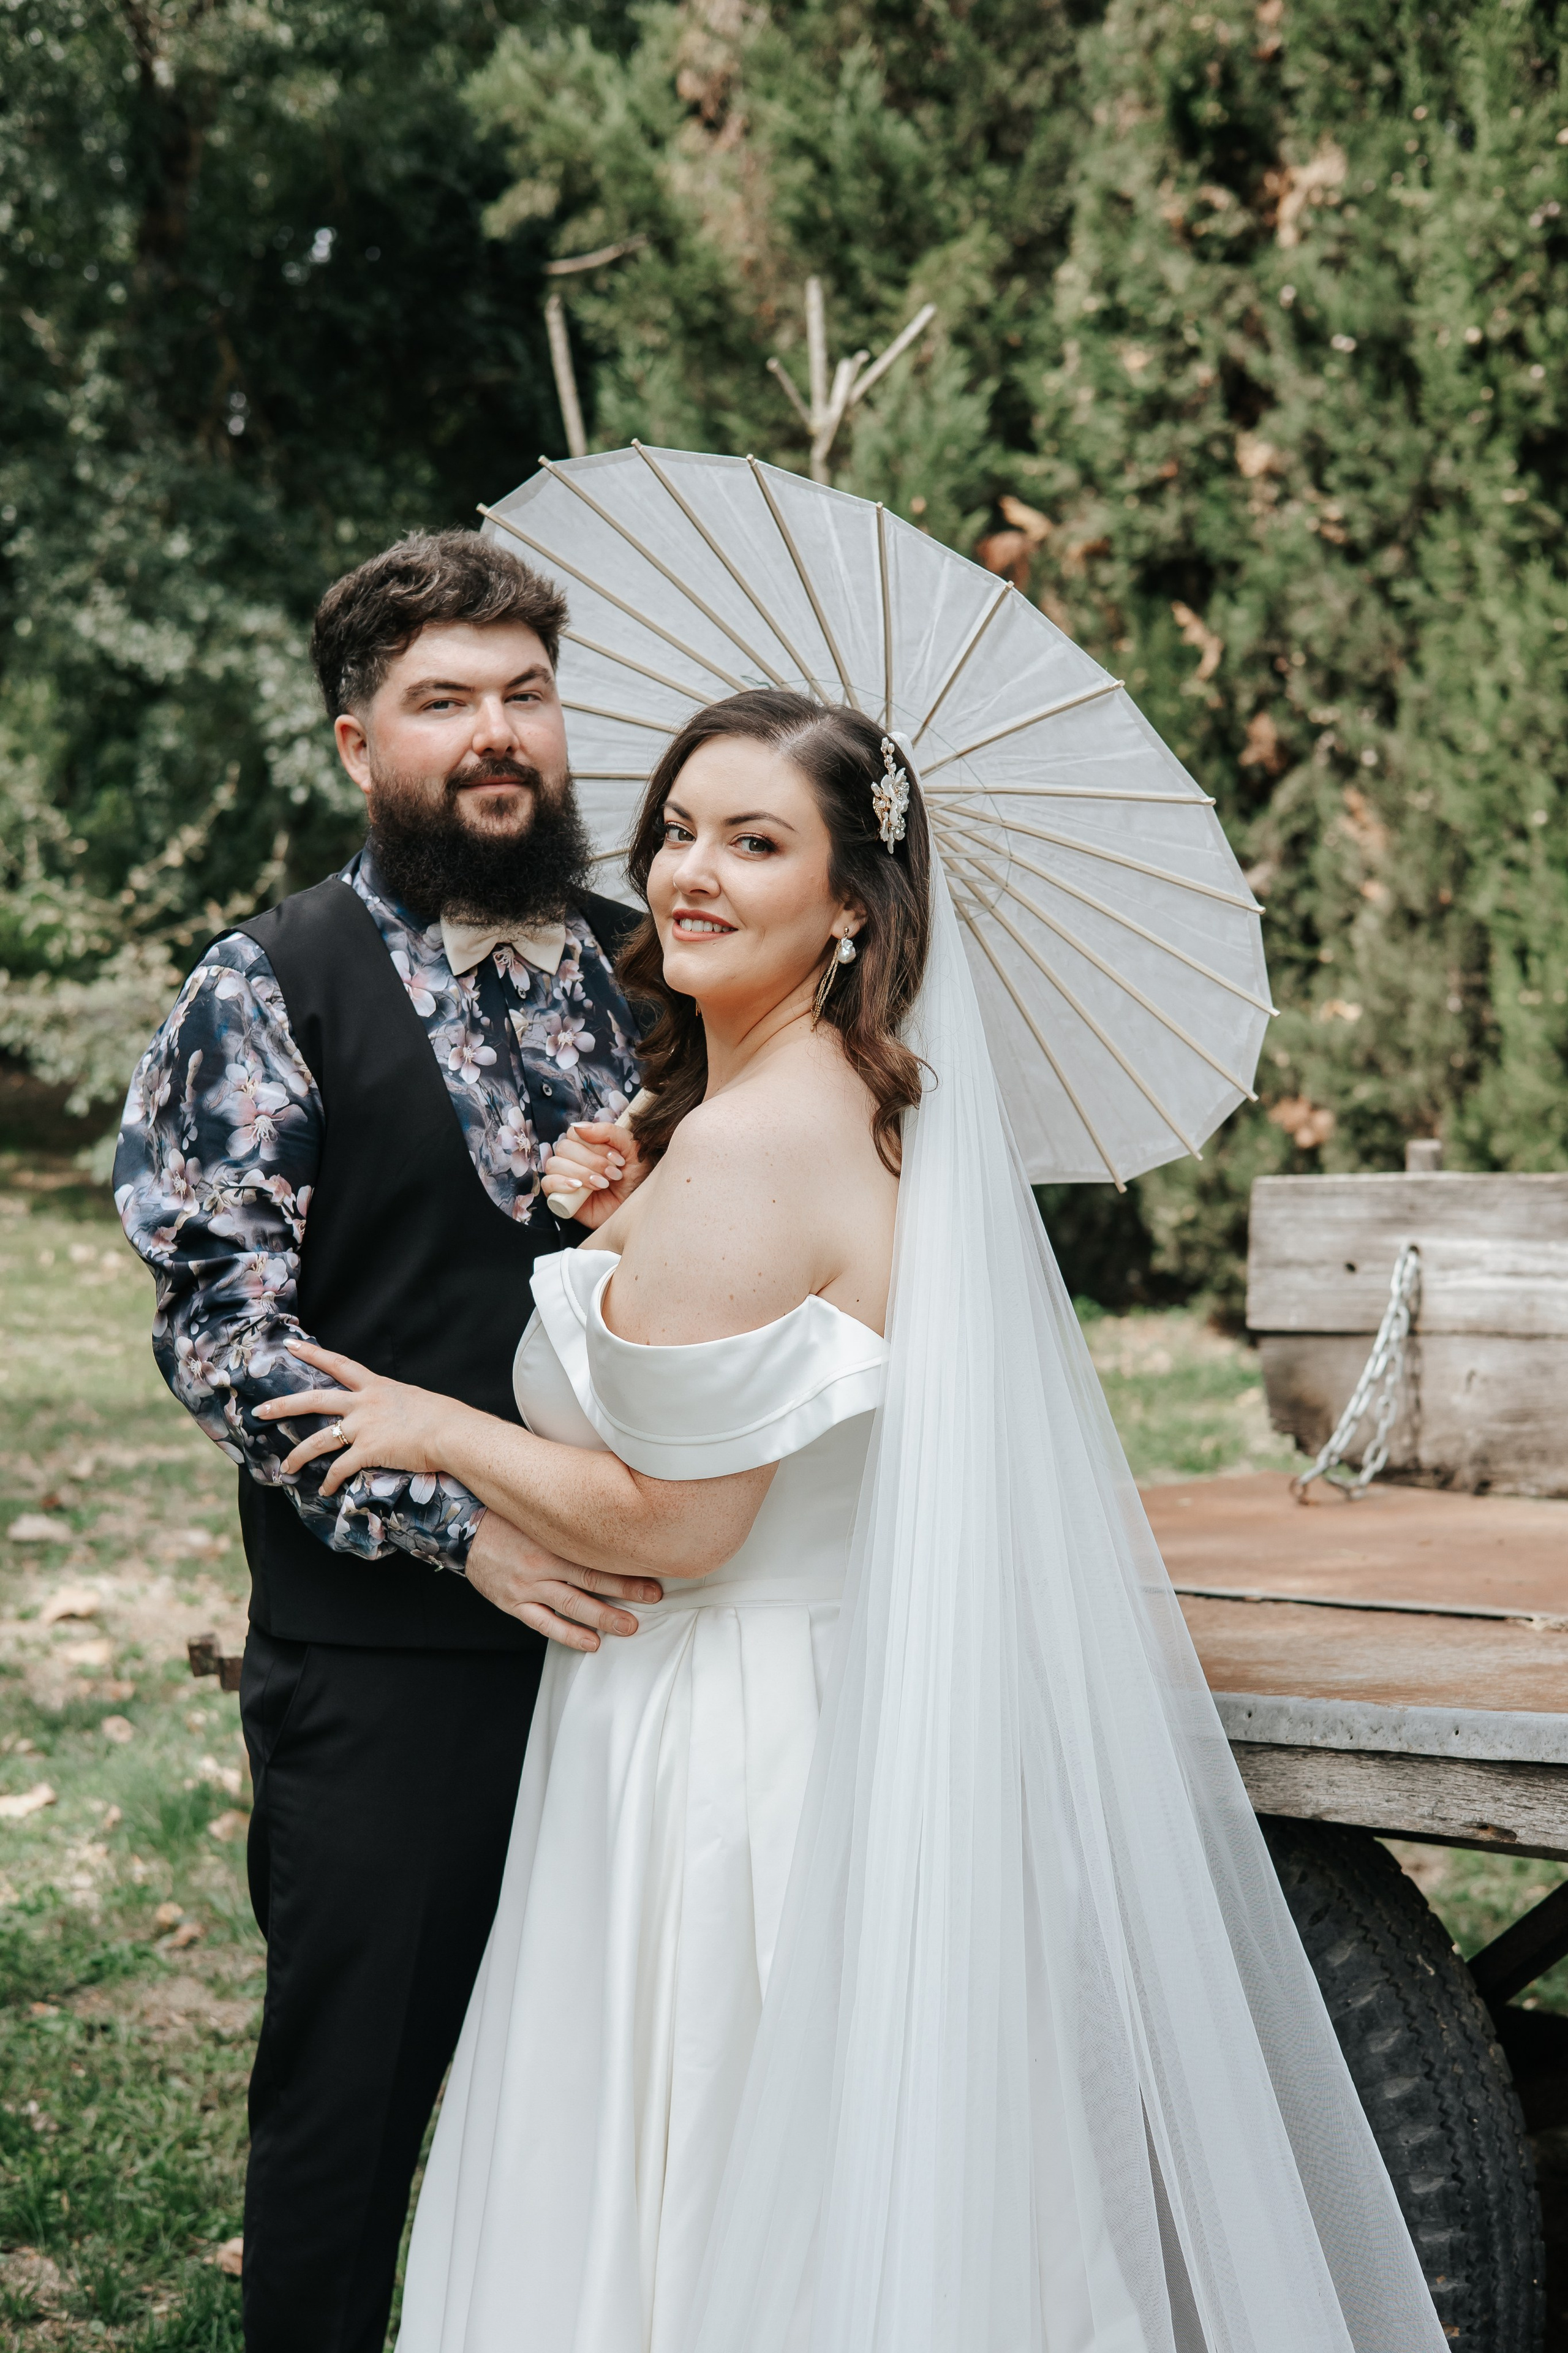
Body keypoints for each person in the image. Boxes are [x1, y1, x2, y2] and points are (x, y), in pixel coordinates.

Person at [265, 690, 1447, 2353]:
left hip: (721, 1749)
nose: (689, 870)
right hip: (835, 1703)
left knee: (699, 2177)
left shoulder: (753, 1145)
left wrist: (431, 1422)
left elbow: (679, 1528)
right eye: (678, 827)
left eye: (756, 842)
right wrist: (633, 1223)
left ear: (850, 908)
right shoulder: (862, 1113)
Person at [113, 531, 662, 2353]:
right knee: (354, 2111)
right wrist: (464, 1528)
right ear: (360, 745)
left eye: (525, 694)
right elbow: (222, 1326)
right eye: (445, 703)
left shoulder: (657, 973)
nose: (496, 734)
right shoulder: (268, 985)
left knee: (633, 2103)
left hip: (665, 1643)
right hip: (390, 1658)